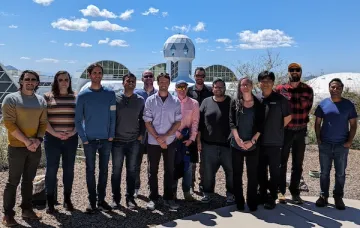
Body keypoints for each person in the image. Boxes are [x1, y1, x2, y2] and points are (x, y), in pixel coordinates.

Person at [2, 70, 47, 226]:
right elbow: (8, 123)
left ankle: (27, 209)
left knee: (29, 180)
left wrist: (38, 140)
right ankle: (8, 214)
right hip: (17, 147)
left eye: (33, 79)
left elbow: (43, 124)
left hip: (35, 147)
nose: (29, 81)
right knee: (13, 181)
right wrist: (27, 142)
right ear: (21, 81)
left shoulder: (41, 101)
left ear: (37, 83)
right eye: (26, 79)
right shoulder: (11, 99)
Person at [75, 63, 116, 213]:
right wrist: (84, 138)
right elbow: (78, 120)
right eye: (94, 73)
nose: (97, 75)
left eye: (100, 73)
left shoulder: (110, 94)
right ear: (90, 75)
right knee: (90, 171)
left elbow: (113, 116)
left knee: (104, 171)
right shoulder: (83, 95)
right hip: (89, 141)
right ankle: (91, 201)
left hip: (106, 140)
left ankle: (101, 200)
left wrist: (111, 135)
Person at [314, 78, 357, 210]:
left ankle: (338, 197)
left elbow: (353, 124)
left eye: (338, 87)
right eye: (333, 87)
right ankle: (323, 196)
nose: (335, 89)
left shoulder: (348, 105)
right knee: (324, 173)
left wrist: (349, 141)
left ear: (342, 89)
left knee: (340, 173)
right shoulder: (323, 104)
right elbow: (317, 123)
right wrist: (318, 139)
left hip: (341, 145)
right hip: (325, 144)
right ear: (329, 88)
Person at [275, 63, 314, 204]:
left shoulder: (308, 90)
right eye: (292, 70)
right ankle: (280, 191)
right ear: (288, 72)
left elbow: (308, 109)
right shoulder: (280, 89)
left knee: (298, 163)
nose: (294, 72)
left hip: (301, 131)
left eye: (297, 70)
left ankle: (295, 192)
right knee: (281, 162)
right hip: (285, 131)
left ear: (301, 72)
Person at [143, 73, 182, 211]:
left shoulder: (176, 101)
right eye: (161, 81)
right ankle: (153, 198)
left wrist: (165, 137)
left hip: (170, 141)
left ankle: (168, 198)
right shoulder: (150, 100)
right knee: (152, 170)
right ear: (157, 83)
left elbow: (178, 122)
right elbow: (147, 121)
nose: (163, 83)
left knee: (169, 170)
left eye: (166, 81)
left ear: (169, 82)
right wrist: (158, 138)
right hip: (153, 142)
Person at [44, 71, 78, 214]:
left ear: (70, 81)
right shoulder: (47, 97)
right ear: (56, 81)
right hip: (52, 139)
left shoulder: (76, 97)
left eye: (66, 79)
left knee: (69, 170)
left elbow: (80, 118)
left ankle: (67, 199)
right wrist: (55, 134)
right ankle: (50, 201)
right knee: (51, 170)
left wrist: (72, 132)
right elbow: (43, 120)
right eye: (60, 79)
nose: (64, 82)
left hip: (71, 139)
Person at [257, 71, 292, 210]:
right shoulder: (256, 98)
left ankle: (272, 196)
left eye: (268, 81)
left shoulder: (280, 99)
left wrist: (276, 128)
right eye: (263, 81)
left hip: (275, 142)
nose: (265, 83)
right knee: (260, 170)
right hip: (259, 143)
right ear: (258, 83)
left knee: (274, 171)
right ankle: (262, 193)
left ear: (273, 83)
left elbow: (287, 118)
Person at [229, 77, 264, 212]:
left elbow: (261, 125)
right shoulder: (235, 102)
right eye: (242, 84)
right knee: (237, 174)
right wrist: (237, 139)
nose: (245, 87)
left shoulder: (258, 103)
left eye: (247, 84)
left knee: (252, 174)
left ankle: (252, 201)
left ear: (252, 86)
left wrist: (253, 141)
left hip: (253, 145)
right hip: (236, 144)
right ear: (239, 87)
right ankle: (239, 201)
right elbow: (231, 122)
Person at [111, 73, 145, 210]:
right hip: (117, 141)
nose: (131, 83)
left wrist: (141, 134)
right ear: (123, 83)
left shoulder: (140, 100)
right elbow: (110, 117)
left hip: (133, 141)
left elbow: (144, 119)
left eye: (133, 81)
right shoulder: (115, 98)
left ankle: (130, 198)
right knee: (116, 171)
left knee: (132, 170)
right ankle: (115, 198)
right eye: (128, 81)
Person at [198, 78, 234, 204]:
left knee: (230, 171)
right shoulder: (206, 102)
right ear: (212, 88)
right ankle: (207, 193)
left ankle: (231, 194)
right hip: (208, 145)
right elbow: (200, 124)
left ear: (224, 88)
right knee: (208, 172)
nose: (218, 89)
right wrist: (198, 141)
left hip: (227, 145)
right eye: (216, 87)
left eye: (221, 87)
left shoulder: (231, 102)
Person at [186, 67, 213, 193]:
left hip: (206, 129)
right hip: (191, 128)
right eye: (197, 75)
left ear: (205, 76)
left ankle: (202, 183)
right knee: (192, 159)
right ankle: (190, 184)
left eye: (202, 75)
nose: (199, 77)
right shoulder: (189, 91)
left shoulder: (210, 91)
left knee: (205, 160)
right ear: (194, 76)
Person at [173, 80, 199, 201]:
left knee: (188, 167)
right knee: (173, 166)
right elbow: (168, 120)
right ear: (175, 88)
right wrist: (175, 133)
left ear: (187, 89)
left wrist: (192, 139)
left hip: (187, 140)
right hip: (173, 139)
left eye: (184, 87)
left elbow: (195, 122)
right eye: (179, 87)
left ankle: (187, 192)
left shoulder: (194, 103)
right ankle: (172, 193)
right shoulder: (171, 102)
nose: (182, 90)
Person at [134, 70, 158, 198]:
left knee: (152, 164)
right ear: (142, 79)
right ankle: (136, 187)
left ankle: (151, 189)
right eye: (146, 76)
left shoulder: (159, 94)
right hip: (139, 134)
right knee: (136, 162)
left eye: (150, 76)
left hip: (154, 133)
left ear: (153, 78)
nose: (148, 78)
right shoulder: (137, 94)